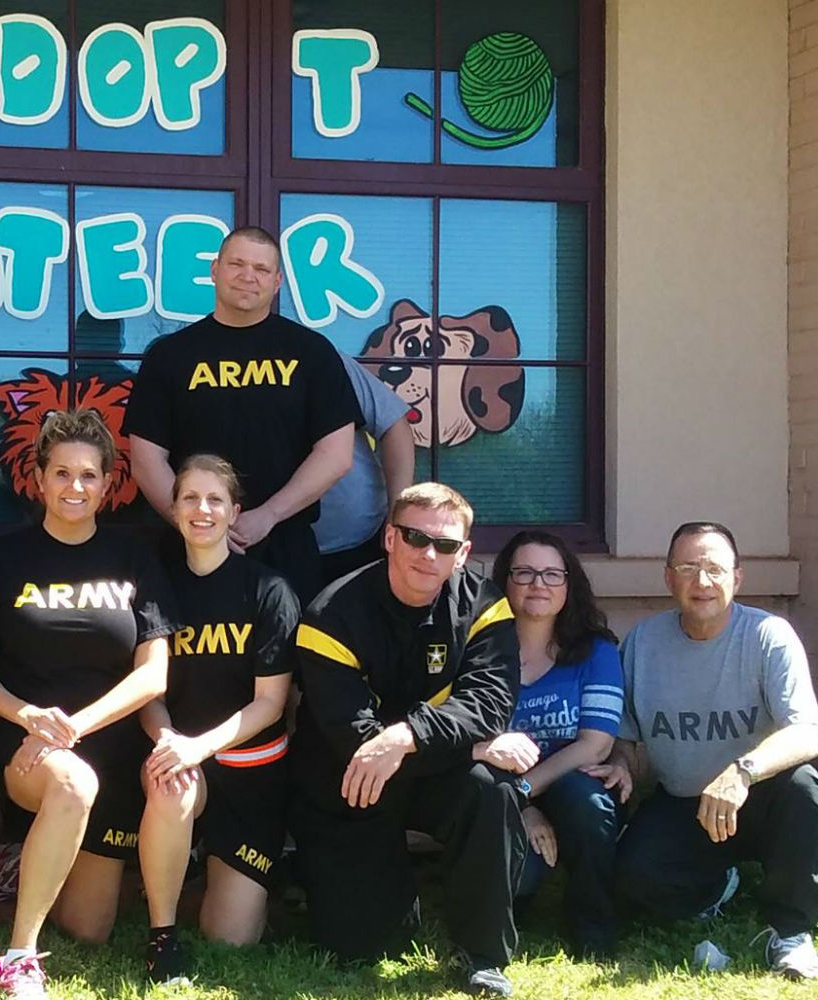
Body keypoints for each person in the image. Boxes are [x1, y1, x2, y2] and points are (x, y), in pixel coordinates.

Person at [0, 409, 175, 1000]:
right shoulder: (1, 559)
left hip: (103, 736)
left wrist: (72, 727)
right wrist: (28, 717)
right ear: (38, 478)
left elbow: (153, 675)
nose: (74, 487)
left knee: (89, 927)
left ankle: (26, 859)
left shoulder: (135, 559)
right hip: (19, 732)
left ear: (108, 482)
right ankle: (19, 956)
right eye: (61, 473)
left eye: (88, 475)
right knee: (72, 786)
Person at [289, 482, 524, 998]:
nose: (428, 553)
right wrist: (466, 746)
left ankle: (485, 957)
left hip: (426, 769)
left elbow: (490, 705)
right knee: (359, 946)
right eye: (415, 537)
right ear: (389, 538)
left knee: (492, 788)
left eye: (444, 545)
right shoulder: (330, 613)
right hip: (350, 779)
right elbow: (350, 736)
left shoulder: (487, 605)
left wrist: (407, 735)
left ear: (462, 554)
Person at [587, 521, 818, 981]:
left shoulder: (768, 635)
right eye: (688, 568)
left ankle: (791, 932)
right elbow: (624, 732)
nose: (702, 582)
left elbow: (807, 733)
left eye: (715, 569)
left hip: (760, 796)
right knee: (633, 879)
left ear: (737, 578)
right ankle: (719, 885)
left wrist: (742, 773)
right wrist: (620, 762)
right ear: (668, 578)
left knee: (807, 791)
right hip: (683, 803)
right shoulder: (644, 642)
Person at [124, 226, 357, 601]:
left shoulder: (312, 353)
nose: (248, 276)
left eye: (262, 269)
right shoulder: (170, 355)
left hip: (285, 544)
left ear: (277, 281)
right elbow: (146, 458)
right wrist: (197, 524)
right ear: (215, 270)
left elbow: (336, 454)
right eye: (237, 264)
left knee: (286, 659)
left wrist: (269, 514)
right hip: (189, 549)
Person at [137, 455, 299, 985]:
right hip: (183, 761)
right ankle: (162, 937)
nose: (201, 509)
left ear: (235, 512)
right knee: (171, 784)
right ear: (173, 508)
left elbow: (271, 704)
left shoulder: (269, 590)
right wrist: (169, 742)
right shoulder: (155, 586)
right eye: (189, 498)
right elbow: (148, 693)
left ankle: (211, 867)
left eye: (215, 500)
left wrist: (196, 746)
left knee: (231, 938)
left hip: (250, 768)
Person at [481, 530, 623, 956]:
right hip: (495, 781)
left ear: (569, 584)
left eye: (551, 574)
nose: (538, 584)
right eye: (523, 573)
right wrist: (521, 808)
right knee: (521, 877)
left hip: (569, 776)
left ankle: (593, 928)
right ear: (504, 582)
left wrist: (523, 793)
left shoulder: (596, 651)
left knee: (590, 805)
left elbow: (595, 744)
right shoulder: (480, 650)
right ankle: (504, 914)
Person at [314, 352, 415, 584]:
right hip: (265, 541)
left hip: (363, 539)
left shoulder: (318, 355)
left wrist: (397, 517)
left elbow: (393, 424)